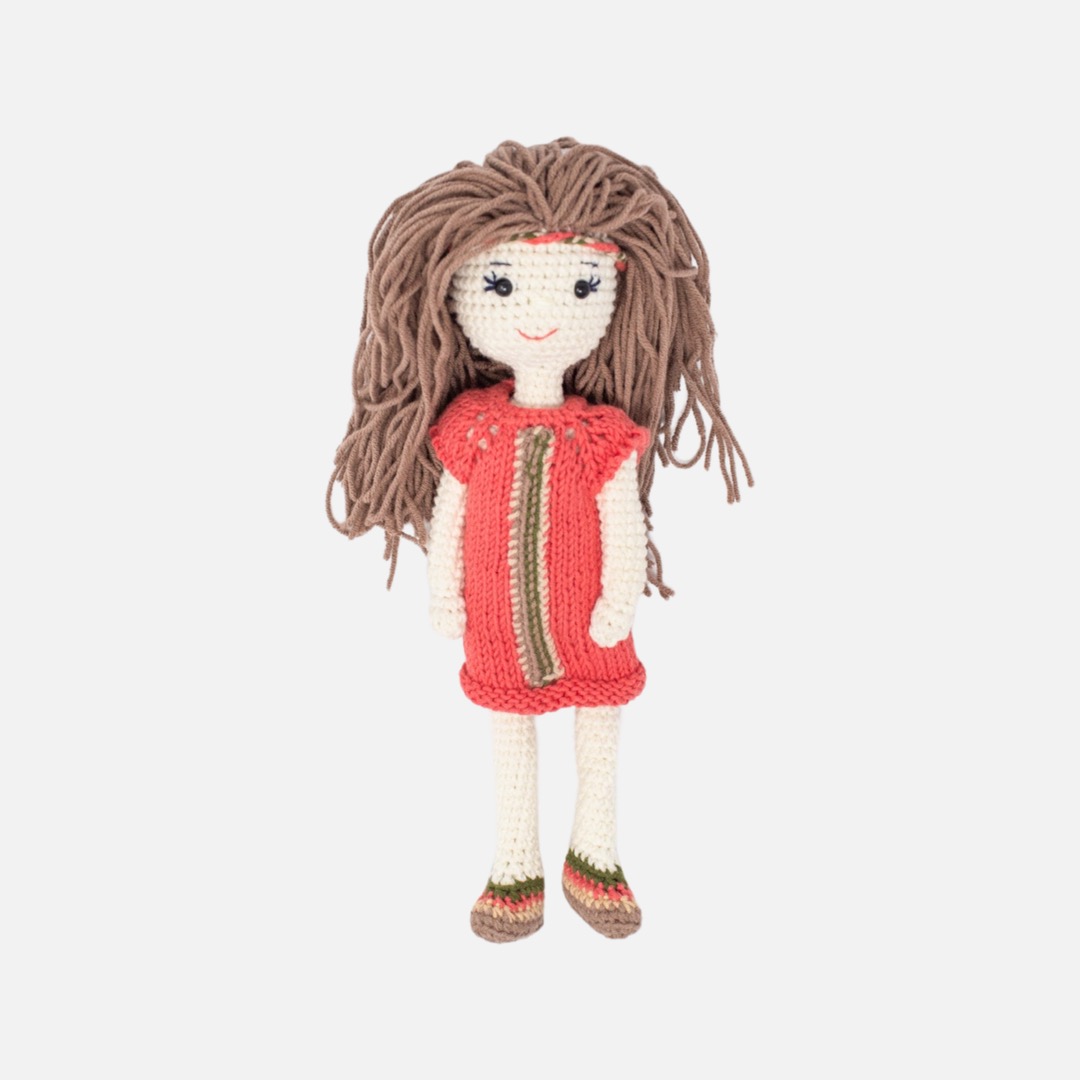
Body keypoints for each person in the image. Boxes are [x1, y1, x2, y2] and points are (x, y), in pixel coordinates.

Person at [327, 137, 752, 942]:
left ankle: (597, 850)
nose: (541, 315)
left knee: (600, 725)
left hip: (590, 614)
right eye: (499, 285)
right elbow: (451, 513)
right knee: (509, 733)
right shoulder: (472, 427)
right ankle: (513, 861)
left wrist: (620, 595)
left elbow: (623, 519)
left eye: (583, 287)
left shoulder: (602, 434)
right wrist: (444, 591)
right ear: (457, 295)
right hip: (498, 618)